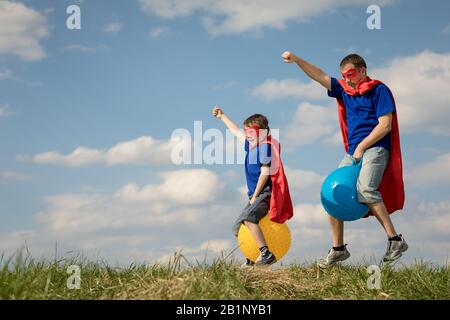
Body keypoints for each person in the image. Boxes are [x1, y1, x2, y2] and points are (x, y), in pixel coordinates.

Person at [282, 51, 407, 267]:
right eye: (344, 75)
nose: (347, 79)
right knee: (332, 193)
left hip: (375, 148)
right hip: (353, 152)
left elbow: (385, 125)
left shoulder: (379, 90)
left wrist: (362, 145)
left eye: (350, 74)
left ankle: (395, 240)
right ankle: (338, 249)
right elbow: (319, 75)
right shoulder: (345, 90)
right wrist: (297, 60)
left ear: (362, 71)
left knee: (366, 190)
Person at [212, 106, 293, 266]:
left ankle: (265, 253)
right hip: (255, 194)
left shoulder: (265, 147)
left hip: (264, 193)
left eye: (251, 132)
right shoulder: (251, 145)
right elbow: (235, 131)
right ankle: (251, 257)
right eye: (246, 131)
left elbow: (265, 173)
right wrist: (222, 116)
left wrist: (255, 196)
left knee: (249, 219)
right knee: (237, 228)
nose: (247, 135)